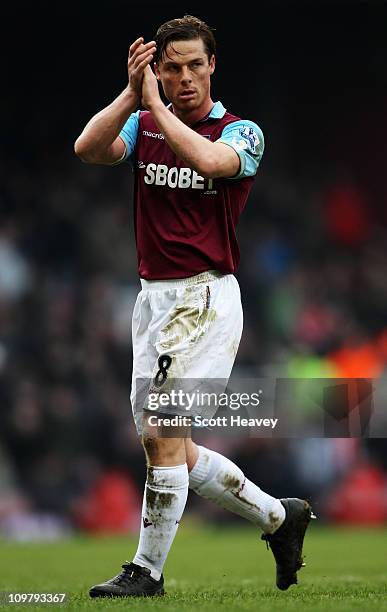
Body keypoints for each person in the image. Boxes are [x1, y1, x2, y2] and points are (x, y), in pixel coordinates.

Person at [74, 14, 314, 598]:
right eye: (171, 68)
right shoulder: (142, 121)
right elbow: (89, 148)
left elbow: (209, 164)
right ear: (158, 69)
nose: (183, 78)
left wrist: (153, 107)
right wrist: (133, 94)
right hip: (152, 298)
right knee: (173, 447)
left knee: (161, 430)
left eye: (194, 66)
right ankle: (281, 520)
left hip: (203, 296)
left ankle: (146, 573)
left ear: (213, 66)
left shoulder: (241, 132)